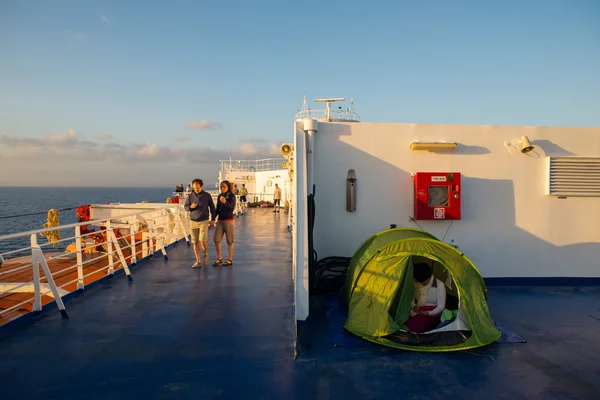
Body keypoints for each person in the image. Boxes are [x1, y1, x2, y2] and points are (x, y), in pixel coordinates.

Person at [405, 262, 446, 333]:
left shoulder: (439, 285)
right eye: (420, 282)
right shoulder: (416, 283)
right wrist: (414, 306)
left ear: (430, 277)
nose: (422, 284)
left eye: (424, 281)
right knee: (404, 320)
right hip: (419, 310)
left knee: (415, 325)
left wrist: (429, 313)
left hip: (433, 311)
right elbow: (412, 298)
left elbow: (441, 306)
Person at [184, 179, 215, 268]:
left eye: (198, 188)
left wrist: (213, 219)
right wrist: (191, 207)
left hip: (203, 221)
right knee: (195, 242)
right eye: (194, 188)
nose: (196, 189)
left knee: (202, 240)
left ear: (201, 186)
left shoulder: (207, 196)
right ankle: (198, 260)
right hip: (193, 221)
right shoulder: (190, 196)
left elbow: (212, 208)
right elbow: (186, 207)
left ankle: (205, 253)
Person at [213, 180, 236, 266]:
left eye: (224, 187)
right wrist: (213, 218)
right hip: (220, 220)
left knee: (230, 240)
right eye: (221, 187)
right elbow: (217, 208)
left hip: (229, 220)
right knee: (216, 239)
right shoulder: (220, 196)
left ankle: (230, 259)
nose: (222, 188)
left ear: (228, 187)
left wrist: (225, 202)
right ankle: (219, 258)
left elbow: (232, 208)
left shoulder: (232, 196)